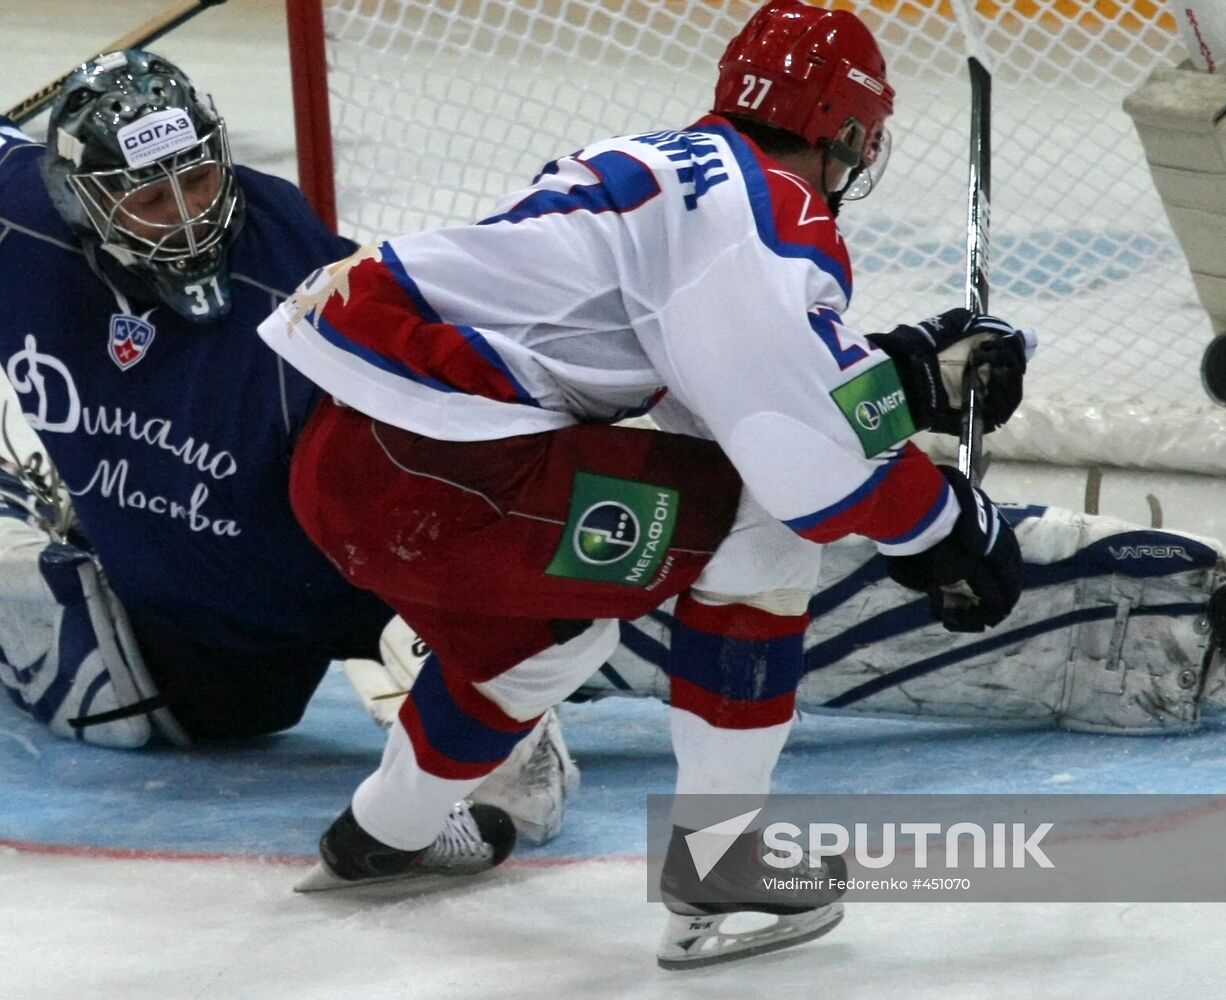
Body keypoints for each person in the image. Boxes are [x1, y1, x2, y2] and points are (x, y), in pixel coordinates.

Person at [260, 0, 1033, 967]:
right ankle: (720, 870)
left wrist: (905, 376)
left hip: (349, 467)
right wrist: (950, 528)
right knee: (765, 524)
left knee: (536, 650)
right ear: (843, 133)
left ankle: (380, 835)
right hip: (459, 479)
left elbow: (719, 386)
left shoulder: (666, 167)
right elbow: (799, 461)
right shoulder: (771, 213)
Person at [0, 49, 516, 876]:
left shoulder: (305, 285)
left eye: (198, 180)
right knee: (103, 689)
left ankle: (740, 854)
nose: (185, 216)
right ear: (79, 202)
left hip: (383, 582)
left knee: (603, 618)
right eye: (147, 196)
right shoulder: (22, 219)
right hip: (197, 658)